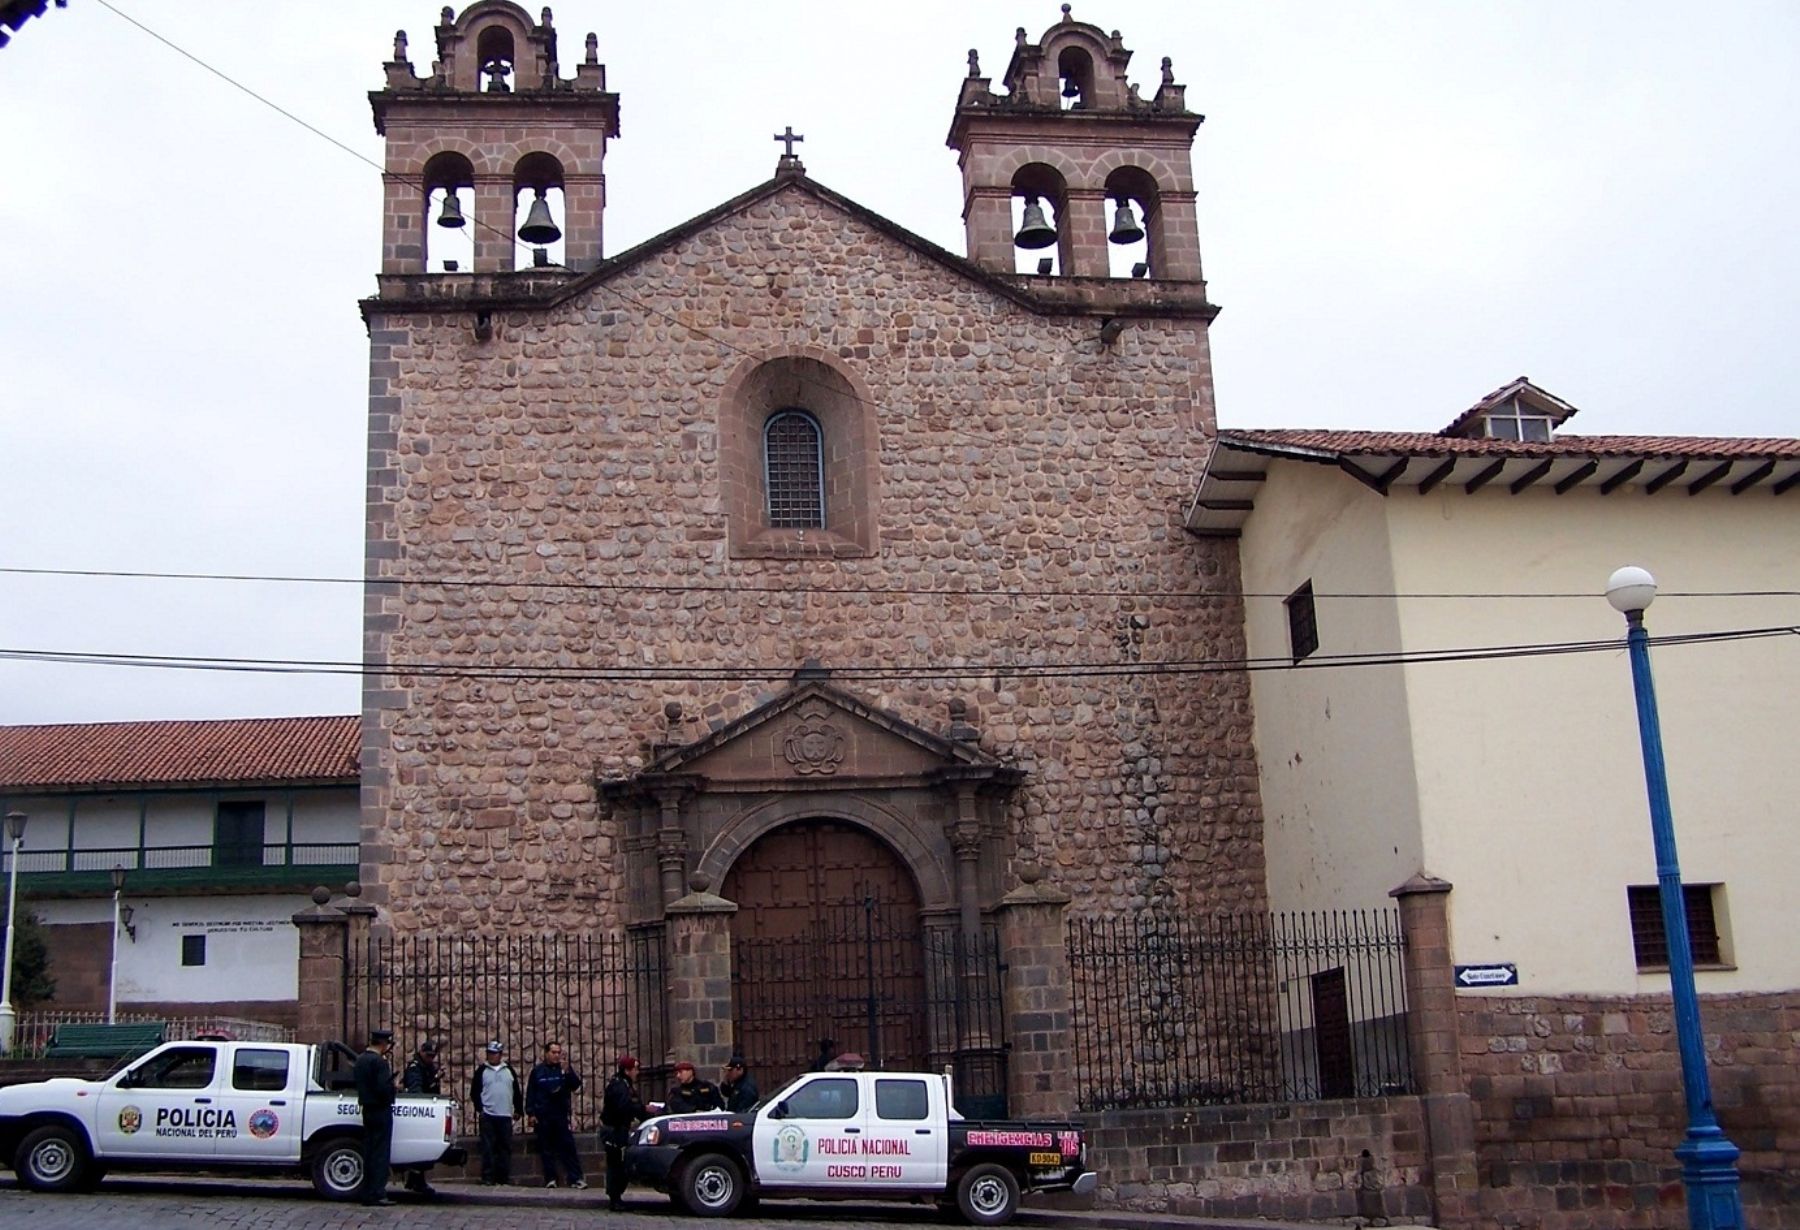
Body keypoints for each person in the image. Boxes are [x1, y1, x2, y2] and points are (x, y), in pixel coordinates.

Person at [525, 1040, 586, 1189]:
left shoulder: (563, 1070)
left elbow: (575, 1085)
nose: (557, 1056)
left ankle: (576, 1178)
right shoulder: (538, 1071)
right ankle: (550, 1179)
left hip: (560, 1114)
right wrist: (531, 1113)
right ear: (546, 1053)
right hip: (543, 1115)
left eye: (559, 1053)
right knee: (546, 1149)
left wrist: (568, 1072)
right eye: (553, 1052)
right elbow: (531, 1093)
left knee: (568, 1147)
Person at [352, 1028, 397, 1207]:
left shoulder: (361, 1060)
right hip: (380, 1110)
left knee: (369, 1151)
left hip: (367, 1108)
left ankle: (367, 1190)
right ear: (384, 1044)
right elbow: (382, 1088)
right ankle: (377, 1192)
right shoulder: (379, 1062)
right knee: (380, 1153)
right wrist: (393, 1088)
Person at [470, 1039, 522, 1186]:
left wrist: (518, 1109)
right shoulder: (482, 1071)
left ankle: (503, 1177)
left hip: (505, 1114)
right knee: (488, 1147)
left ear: (500, 1055)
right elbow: (475, 1092)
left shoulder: (508, 1070)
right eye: (490, 1053)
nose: (492, 1056)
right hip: (488, 1115)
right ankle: (488, 1177)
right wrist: (480, 1109)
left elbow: (516, 1091)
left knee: (504, 1148)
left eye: (495, 1053)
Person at [601, 1054, 647, 1212]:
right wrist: (643, 1110)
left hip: (618, 1129)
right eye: (635, 1069)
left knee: (618, 1164)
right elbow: (624, 1108)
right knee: (616, 1164)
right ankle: (615, 1198)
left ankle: (616, 1197)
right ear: (627, 1070)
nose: (638, 1072)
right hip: (615, 1130)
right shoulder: (620, 1086)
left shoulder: (623, 1084)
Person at [399, 1039, 441, 1196]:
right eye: (428, 1055)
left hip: (426, 1110)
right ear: (422, 1052)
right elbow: (416, 1090)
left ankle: (416, 1179)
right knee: (418, 1147)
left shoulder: (428, 1067)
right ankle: (416, 1180)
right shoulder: (415, 1068)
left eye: (433, 1056)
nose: (431, 1058)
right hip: (418, 1111)